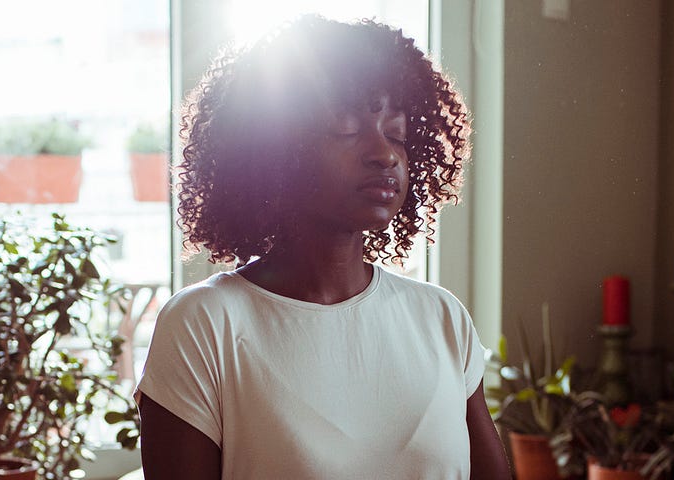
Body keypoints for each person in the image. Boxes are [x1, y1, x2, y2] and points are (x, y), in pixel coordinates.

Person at [136, 15, 508, 480]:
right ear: (274, 150)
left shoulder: (441, 318)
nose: (385, 153)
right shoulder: (205, 325)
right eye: (346, 130)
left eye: (397, 134)